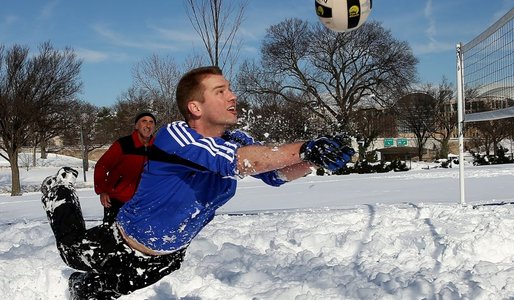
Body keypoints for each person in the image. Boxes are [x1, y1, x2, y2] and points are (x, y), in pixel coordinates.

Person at [40, 66, 355, 299]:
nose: (232, 95)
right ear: (196, 107)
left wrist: (313, 160)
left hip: (167, 258)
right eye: (220, 91)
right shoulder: (175, 136)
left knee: (96, 290)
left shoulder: (237, 140)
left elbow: (273, 174)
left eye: (230, 89)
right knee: (70, 250)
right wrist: (305, 148)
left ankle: (81, 288)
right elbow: (237, 161)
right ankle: (58, 193)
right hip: (119, 244)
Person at [94, 112, 156, 226]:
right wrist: (102, 191)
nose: (148, 125)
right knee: (112, 236)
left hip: (142, 202)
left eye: (151, 122)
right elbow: (101, 166)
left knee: (137, 239)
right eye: (144, 121)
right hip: (117, 199)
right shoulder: (123, 144)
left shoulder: (158, 147)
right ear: (136, 126)